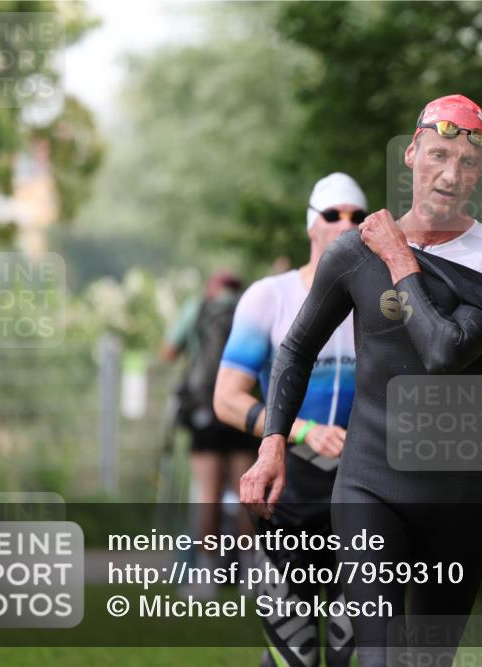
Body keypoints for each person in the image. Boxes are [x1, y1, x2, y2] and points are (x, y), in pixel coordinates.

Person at [241, 94, 482, 666]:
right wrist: (273, 443)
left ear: (481, 173)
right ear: (412, 154)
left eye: (467, 163)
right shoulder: (352, 254)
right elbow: (296, 348)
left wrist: (400, 256)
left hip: (456, 497)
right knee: (375, 660)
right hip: (368, 485)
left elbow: (443, 352)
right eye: (438, 155)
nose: (450, 174)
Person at [215, 173, 368, 667]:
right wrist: (301, 431)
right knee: (294, 657)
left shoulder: (379, 305)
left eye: (357, 216)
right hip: (288, 496)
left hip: (360, 498)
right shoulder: (269, 296)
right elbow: (227, 398)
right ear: (312, 225)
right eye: (333, 214)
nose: (345, 223)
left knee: (351, 657)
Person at [161, 270, 258, 598]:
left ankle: (207, 575)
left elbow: (169, 352)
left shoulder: (198, 308)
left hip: (206, 410)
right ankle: (250, 574)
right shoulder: (250, 308)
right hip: (244, 408)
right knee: (247, 494)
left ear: (212, 288)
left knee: (208, 493)